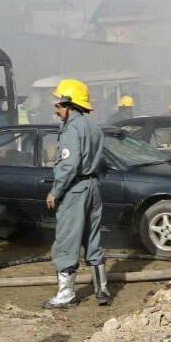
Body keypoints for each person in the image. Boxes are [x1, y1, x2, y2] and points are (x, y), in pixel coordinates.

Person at [43, 79, 111, 309]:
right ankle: (102, 290)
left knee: (66, 241)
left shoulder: (72, 127)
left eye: (58, 104)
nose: (56, 109)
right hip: (93, 188)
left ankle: (66, 295)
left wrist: (55, 191)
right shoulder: (94, 128)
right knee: (93, 239)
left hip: (75, 189)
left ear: (69, 103)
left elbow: (69, 164)